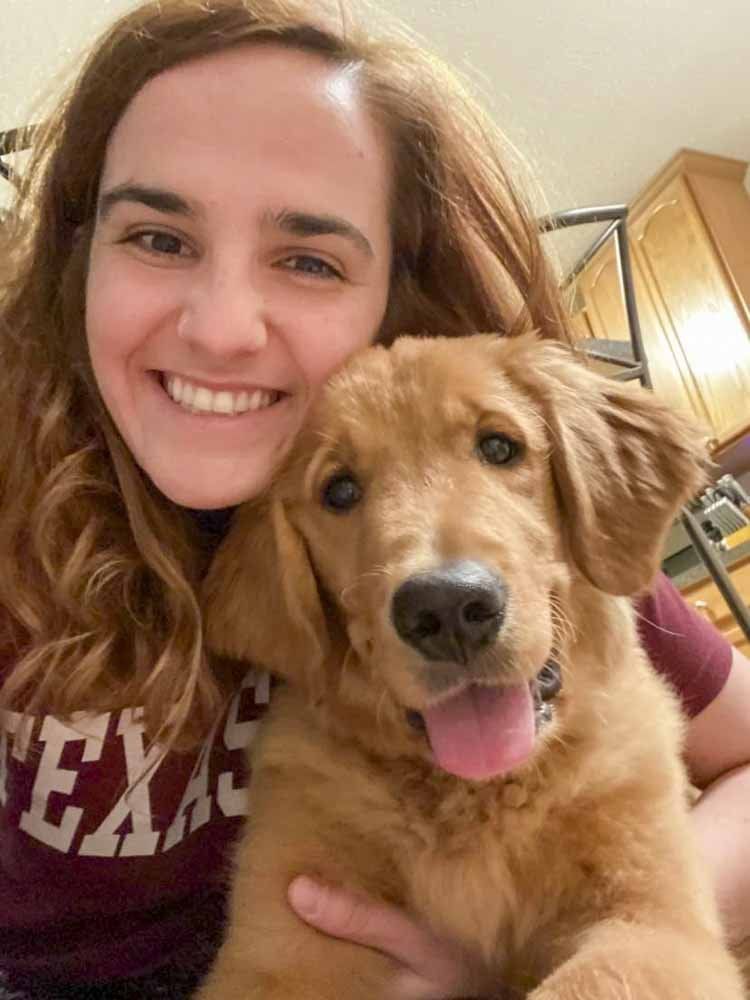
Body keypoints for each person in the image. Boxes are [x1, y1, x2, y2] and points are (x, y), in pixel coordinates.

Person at [1, 1, 749, 996]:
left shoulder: (574, 565)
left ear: (388, 288)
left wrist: (628, 923)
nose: (223, 327)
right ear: (75, 256)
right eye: (158, 236)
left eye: (307, 257)